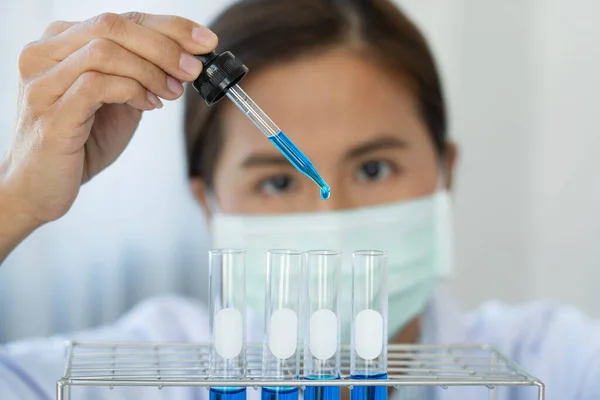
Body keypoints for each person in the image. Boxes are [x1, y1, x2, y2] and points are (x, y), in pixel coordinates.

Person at [0, 0, 598, 399]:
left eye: (374, 166)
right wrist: (17, 201)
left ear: (446, 172)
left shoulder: (553, 362)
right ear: (207, 205)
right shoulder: (147, 373)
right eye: (279, 181)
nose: (330, 214)